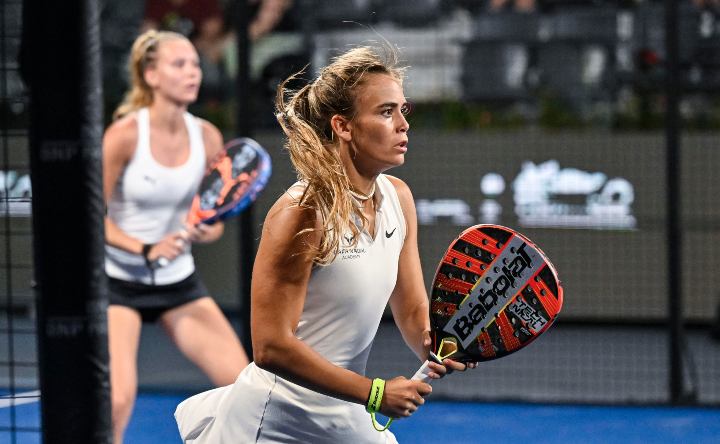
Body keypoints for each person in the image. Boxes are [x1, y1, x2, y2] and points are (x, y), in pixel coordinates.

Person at [174, 45, 474, 443]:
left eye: (404, 110)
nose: (403, 124)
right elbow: (271, 346)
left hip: (343, 409)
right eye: (386, 112)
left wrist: (431, 341)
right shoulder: (301, 212)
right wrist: (375, 393)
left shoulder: (399, 198)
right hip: (275, 421)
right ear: (343, 126)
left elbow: (414, 308)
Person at [102, 29, 249, 444]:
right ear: (151, 75)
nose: (192, 73)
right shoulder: (125, 135)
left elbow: (215, 218)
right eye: (179, 64)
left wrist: (206, 229)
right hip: (118, 285)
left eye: (195, 65)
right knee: (115, 400)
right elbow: (89, 216)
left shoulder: (207, 137)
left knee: (244, 389)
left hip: (179, 285)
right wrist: (145, 248)